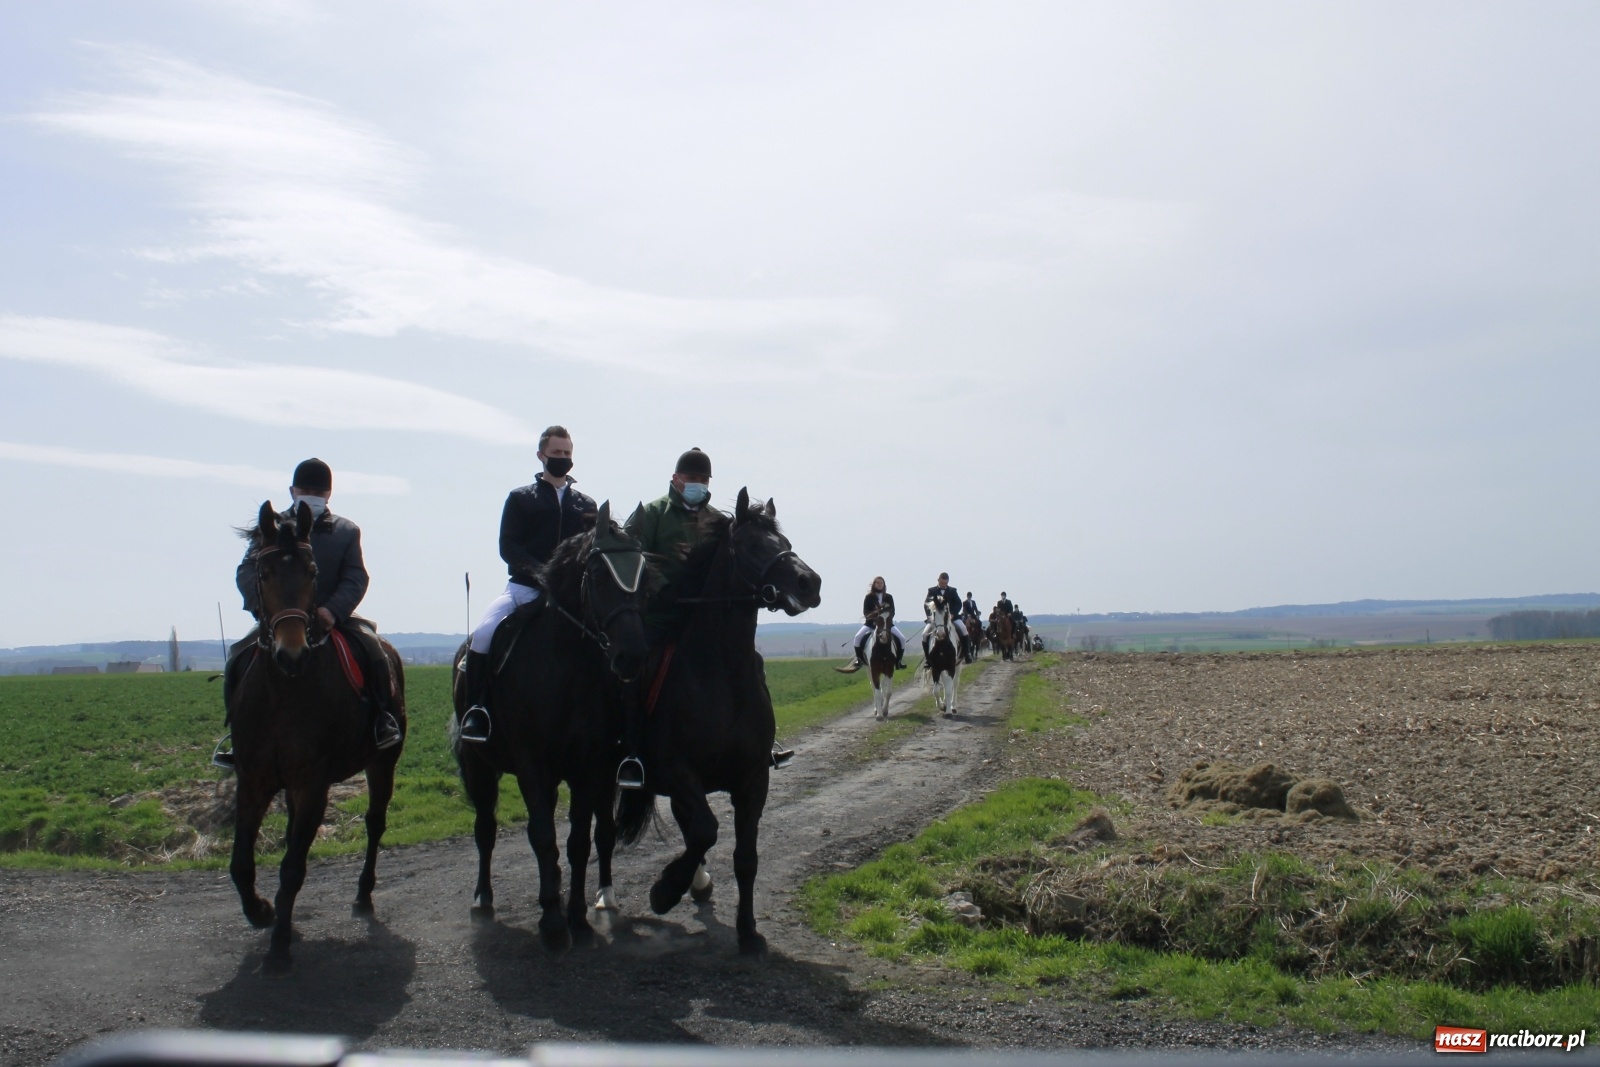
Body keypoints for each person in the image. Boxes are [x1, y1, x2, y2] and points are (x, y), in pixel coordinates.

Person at [624, 448, 794, 786]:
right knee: (634, 670)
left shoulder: (720, 521)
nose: (697, 484)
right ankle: (630, 752)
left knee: (751, 664)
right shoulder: (653, 514)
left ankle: (760, 742)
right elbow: (632, 555)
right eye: (691, 478)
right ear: (675, 479)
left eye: (703, 479)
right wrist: (660, 586)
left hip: (703, 622)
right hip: (660, 617)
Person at [214, 458, 399, 768]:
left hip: (332, 618)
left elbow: (355, 578)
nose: (311, 494)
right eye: (305, 489)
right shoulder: (268, 529)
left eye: (318, 490)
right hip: (280, 620)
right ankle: (239, 736)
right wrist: (264, 609)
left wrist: (332, 611)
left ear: (328, 494)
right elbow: (247, 571)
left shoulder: (346, 531)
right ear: (292, 490)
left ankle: (383, 720)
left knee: (375, 651)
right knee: (236, 656)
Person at [459, 426, 597, 744]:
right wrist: (544, 575)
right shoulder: (520, 499)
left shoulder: (585, 505)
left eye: (567, 454)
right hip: (524, 589)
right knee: (483, 633)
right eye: (556, 453)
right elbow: (509, 547)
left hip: (573, 597)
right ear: (541, 456)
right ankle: (476, 710)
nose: (563, 459)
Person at [840, 576, 906, 672]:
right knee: (857, 638)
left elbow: (893, 612)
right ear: (874, 584)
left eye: (881, 583)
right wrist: (875, 619)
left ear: (884, 585)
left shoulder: (889, 597)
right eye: (877, 583)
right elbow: (866, 612)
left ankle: (898, 661)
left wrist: (885, 621)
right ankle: (859, 660)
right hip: (871, 625)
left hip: (886, 625)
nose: (879, 584)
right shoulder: (869, 597)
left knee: (902, 639)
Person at [923, 572, 970, 662]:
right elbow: (926, 605)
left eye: (945, 583)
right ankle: (927, 659)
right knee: (924, 634)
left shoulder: (952, 591)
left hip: (952, 618)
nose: (944, 585)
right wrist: (931, 616)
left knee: (963, 629)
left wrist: (952, 614)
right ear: (938, 580)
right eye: (942, 583)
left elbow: (958, 604)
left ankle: (967, 653)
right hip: (936, 619)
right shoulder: (932, 591)